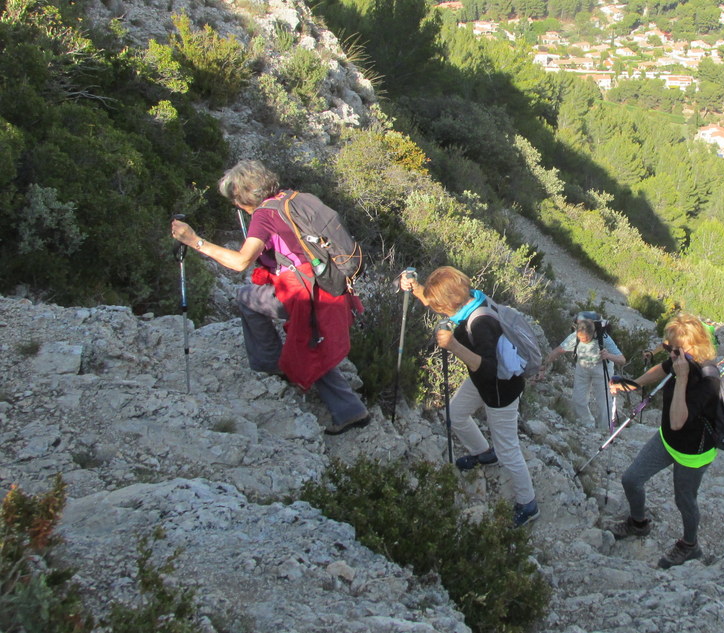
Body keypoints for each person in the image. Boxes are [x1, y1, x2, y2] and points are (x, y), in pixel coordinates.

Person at [170, 160, 370, 435]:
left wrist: (195, 241)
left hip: (304, 294)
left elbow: (241, 261)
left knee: (251, 301)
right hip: (327, 286)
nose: (235, 207)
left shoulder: (264, 215)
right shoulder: (293, 199)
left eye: (235, 201)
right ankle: (349, 409)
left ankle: (271, 364)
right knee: (310, 341)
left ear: (242, 197)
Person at [401, 266, 539, 527]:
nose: (437, 310)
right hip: (481, 382)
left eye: (439, 306)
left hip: (500, 390)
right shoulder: (472, 298)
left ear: (450, 303)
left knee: (509, 450)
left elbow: (488, 368)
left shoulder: (480, 322)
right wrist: (416, 288)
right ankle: (484, 453)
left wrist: (452, 345)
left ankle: (528, 503)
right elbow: (438, 303)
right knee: (455, 414)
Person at [607, 312, 720, 568]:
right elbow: (662, 369)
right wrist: (634, 384)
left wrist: (681, 380)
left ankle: (690, 545)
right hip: (668, 439)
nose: (669, 353)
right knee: (631, 479)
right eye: (667, 347)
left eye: (673, 348)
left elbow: (679, 420)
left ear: (694, 346)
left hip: (693, 451)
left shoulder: (708, 379)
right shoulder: (678, 359)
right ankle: (638, 523)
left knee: (684, 500)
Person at [539, 316, 626, 430]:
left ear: (593, 332)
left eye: (585, 339)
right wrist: (543, 367)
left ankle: (605, 429)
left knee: (604, 400)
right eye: (581, 339)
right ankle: (587, 425)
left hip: (601, 368)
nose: (582, 341)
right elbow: (557, 351)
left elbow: (622, 360)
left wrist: (608, 355)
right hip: (582, 367)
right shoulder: (574, 337)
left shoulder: (604, 338)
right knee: (578, 399)